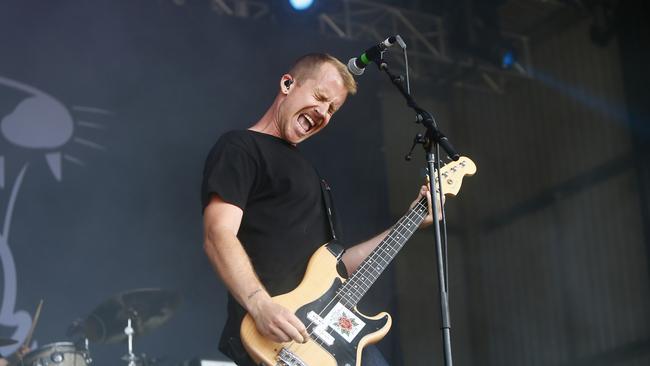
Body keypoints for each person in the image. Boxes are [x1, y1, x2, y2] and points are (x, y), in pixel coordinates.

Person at [202, 53, 439, 365]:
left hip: (330, 339)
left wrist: (412, 221)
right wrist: (259, 304)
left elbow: (337, 269)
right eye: (320, 97)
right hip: (279, 337)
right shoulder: (241, 147)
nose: (324, 113)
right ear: (288, 84)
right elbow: (217, 233)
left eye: (332, 109)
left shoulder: (312, 176)